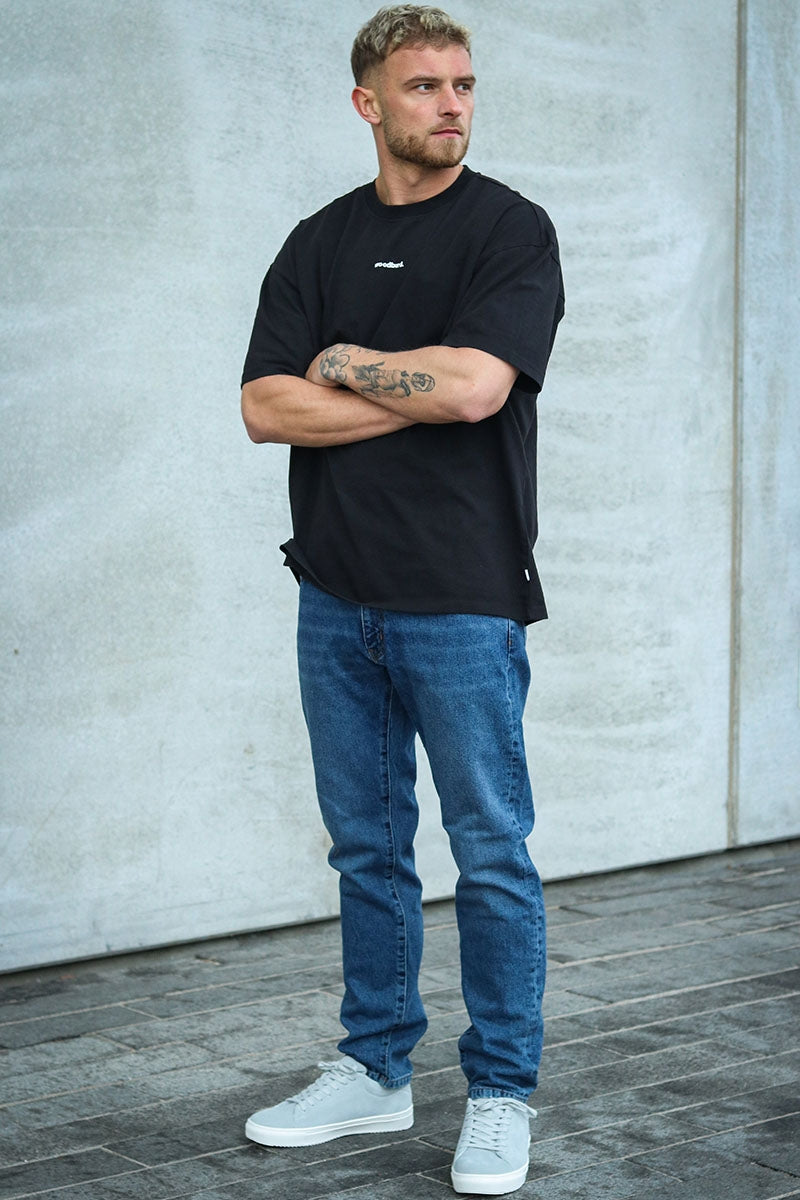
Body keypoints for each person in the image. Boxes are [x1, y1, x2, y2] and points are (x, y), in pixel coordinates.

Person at [239, 5, 563, 1194]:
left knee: (489, 853)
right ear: (367, 103)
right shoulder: (317, 241)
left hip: (462, 596)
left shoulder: (508, 231)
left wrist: (342, 366)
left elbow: (478, 390)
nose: (450, 105)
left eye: (462, 84)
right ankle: (374, 1069)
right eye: (424, 86)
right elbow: (263, 405)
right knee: (367, 850)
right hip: (336, 594)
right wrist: (413, 388)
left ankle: (501, 1091)